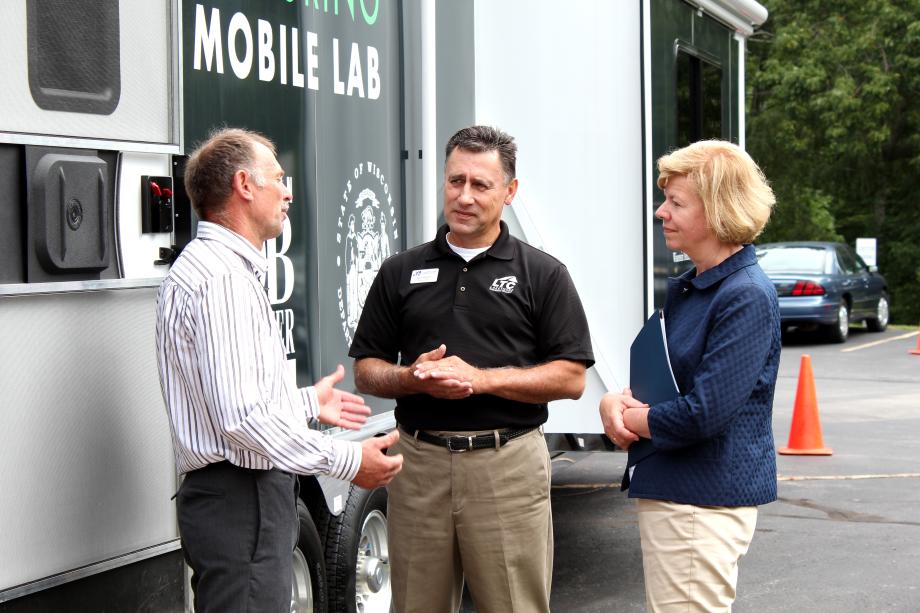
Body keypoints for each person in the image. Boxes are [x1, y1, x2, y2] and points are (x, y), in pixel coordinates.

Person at [155, 127, 403, 613]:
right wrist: (350, 462)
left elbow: (230, 406)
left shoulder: (210, 268)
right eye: (278, 178)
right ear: (245, 186)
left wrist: (308, 402)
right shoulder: (222, 280)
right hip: (240, 501)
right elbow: (243, 420)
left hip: (233, 500)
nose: (288, 192)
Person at [348, 125, 594, 613]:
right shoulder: (400, 271)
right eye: (455, 180)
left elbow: (571, 378)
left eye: (481, 185)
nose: (464, 196)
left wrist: (480, 379)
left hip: (507, 466)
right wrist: (408, 377)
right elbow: (367, 370)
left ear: (509, 191)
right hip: (418, 465)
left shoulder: (542, 274)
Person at [600, 140, 779, 612]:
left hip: (700, 504)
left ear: (719, 211)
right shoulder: (703, 286)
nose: (661, 212)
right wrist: (615, 403)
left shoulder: (744, 296)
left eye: (677, 203)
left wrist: (632, 420)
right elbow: (671, 381)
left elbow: (704, 413)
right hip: (684, 498)